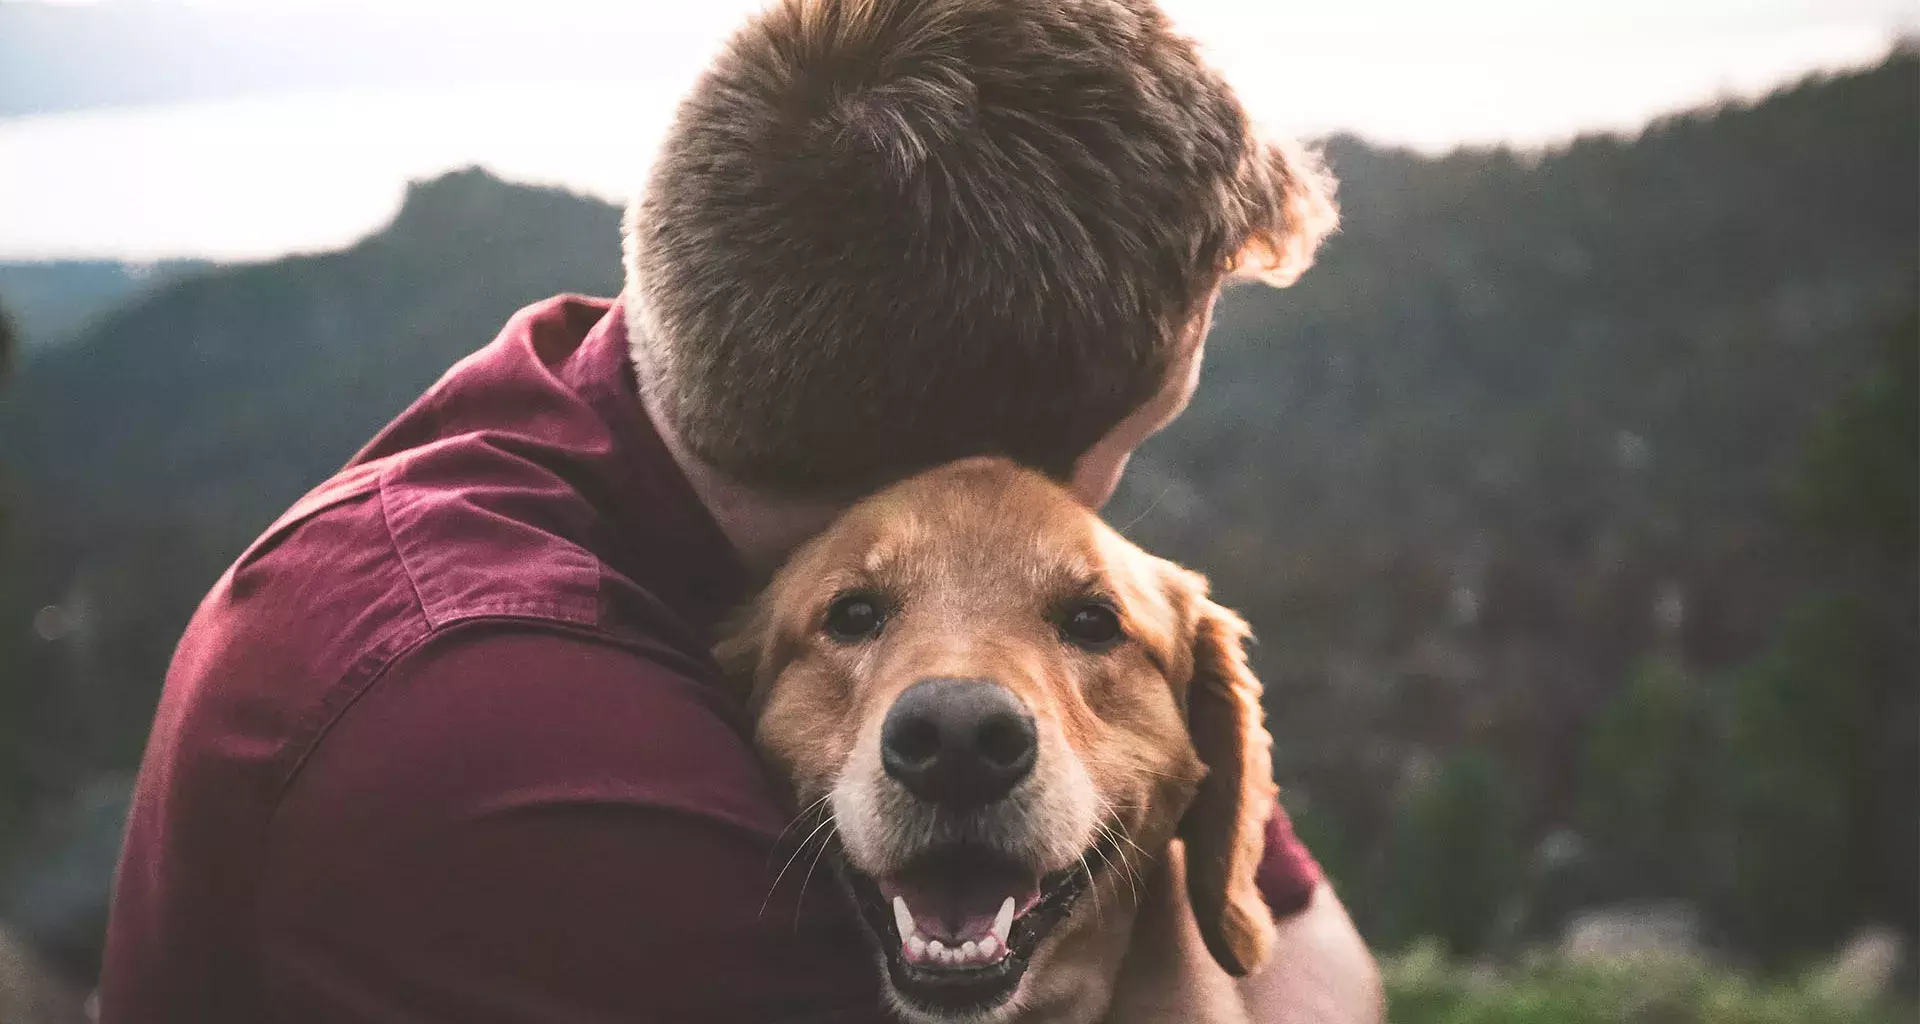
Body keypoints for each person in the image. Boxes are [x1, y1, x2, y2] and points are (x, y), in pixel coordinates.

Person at [98, 0, 1379, 1021]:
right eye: (1136, 440)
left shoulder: (635, 391)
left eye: (1078, 598)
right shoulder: (515, 754)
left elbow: (1312, 953)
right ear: (968, 473)